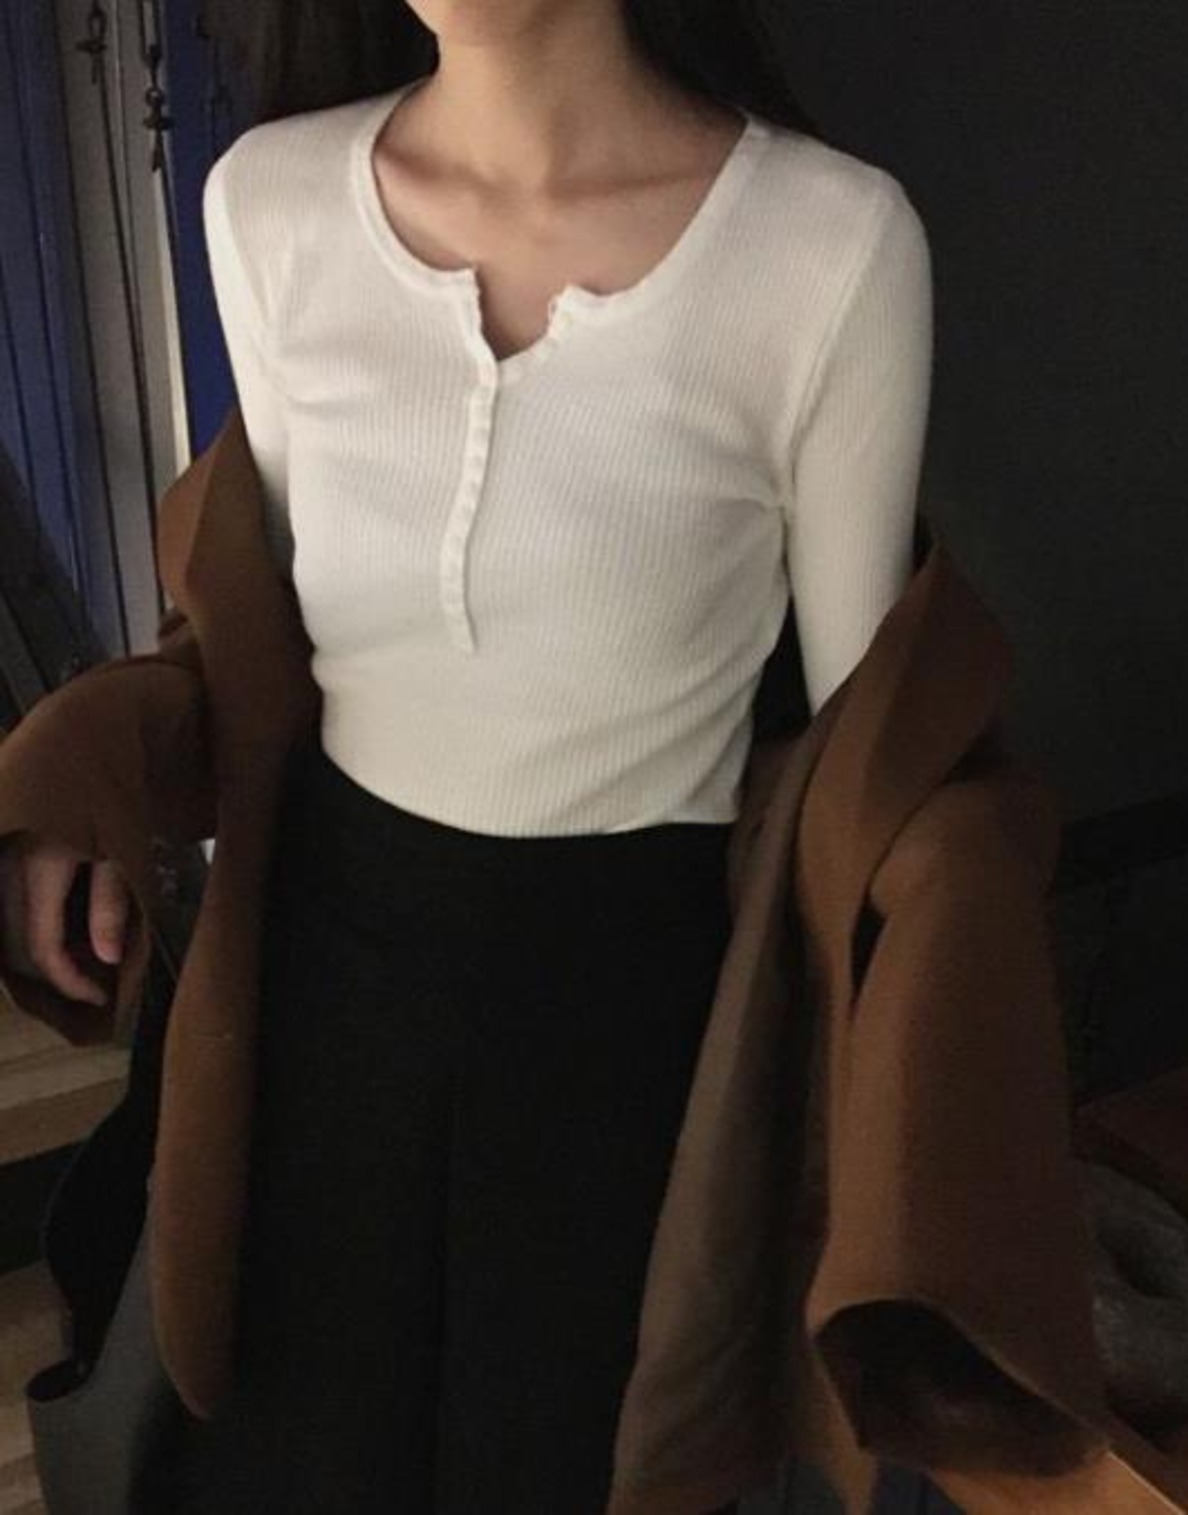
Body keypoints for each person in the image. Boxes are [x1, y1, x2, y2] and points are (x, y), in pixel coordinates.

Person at [0, 0, 932, 1508]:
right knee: (280, 1463)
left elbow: (871, 766)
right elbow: (256, 647)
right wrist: (78, 782)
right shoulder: (269, 203)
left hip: (629, 1029)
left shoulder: (830, 245)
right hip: (320, 985)